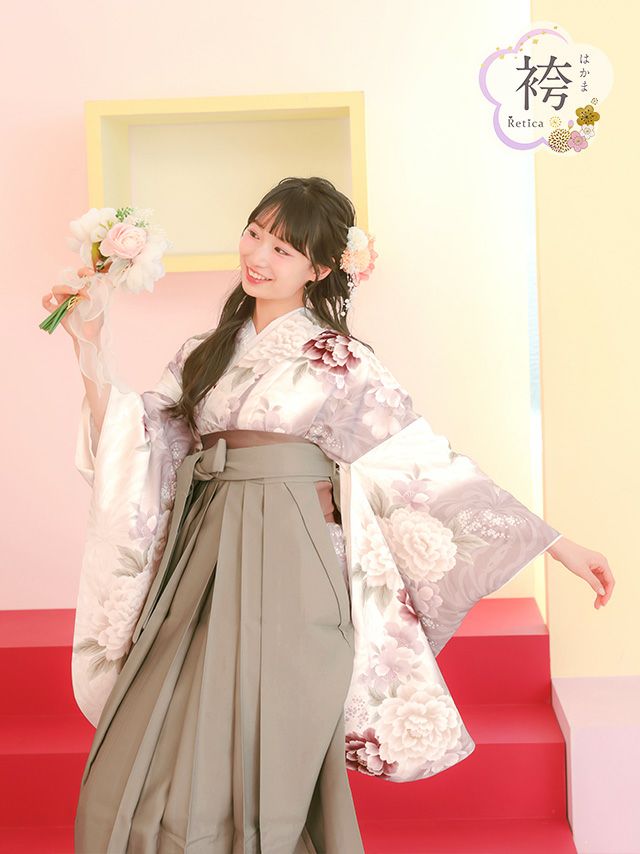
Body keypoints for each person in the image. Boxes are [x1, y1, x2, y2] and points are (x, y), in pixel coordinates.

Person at [43, 176, 615, 853]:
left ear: (318, 270)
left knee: (272, 737)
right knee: (162, 726)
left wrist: (554, 543)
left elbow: (421, 462)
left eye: (283, 249)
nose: (259, 255)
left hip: (294, 559)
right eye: (255, 233)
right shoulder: (204, 352)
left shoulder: (342, 360)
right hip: (204, 553)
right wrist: (88, 343)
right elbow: (138, 445)